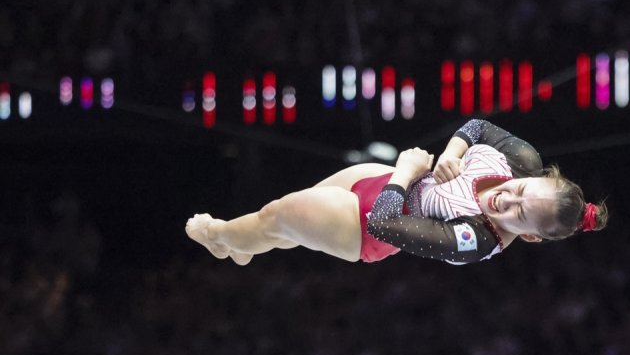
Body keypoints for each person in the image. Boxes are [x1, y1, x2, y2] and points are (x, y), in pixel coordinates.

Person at [185, 119, 607, 265]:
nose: (505, 200)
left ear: (530, 236)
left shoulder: (477, 240)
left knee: (280, 213)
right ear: (535, 174)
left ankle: (220, 237)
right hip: (380, 178)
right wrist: (452, 152)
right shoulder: (523, 157)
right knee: (281, 227)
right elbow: (478, 127)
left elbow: (384, 225)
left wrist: (405, 172)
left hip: (366, 228)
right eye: (519, 191)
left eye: (518, 214)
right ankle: (246, 248)